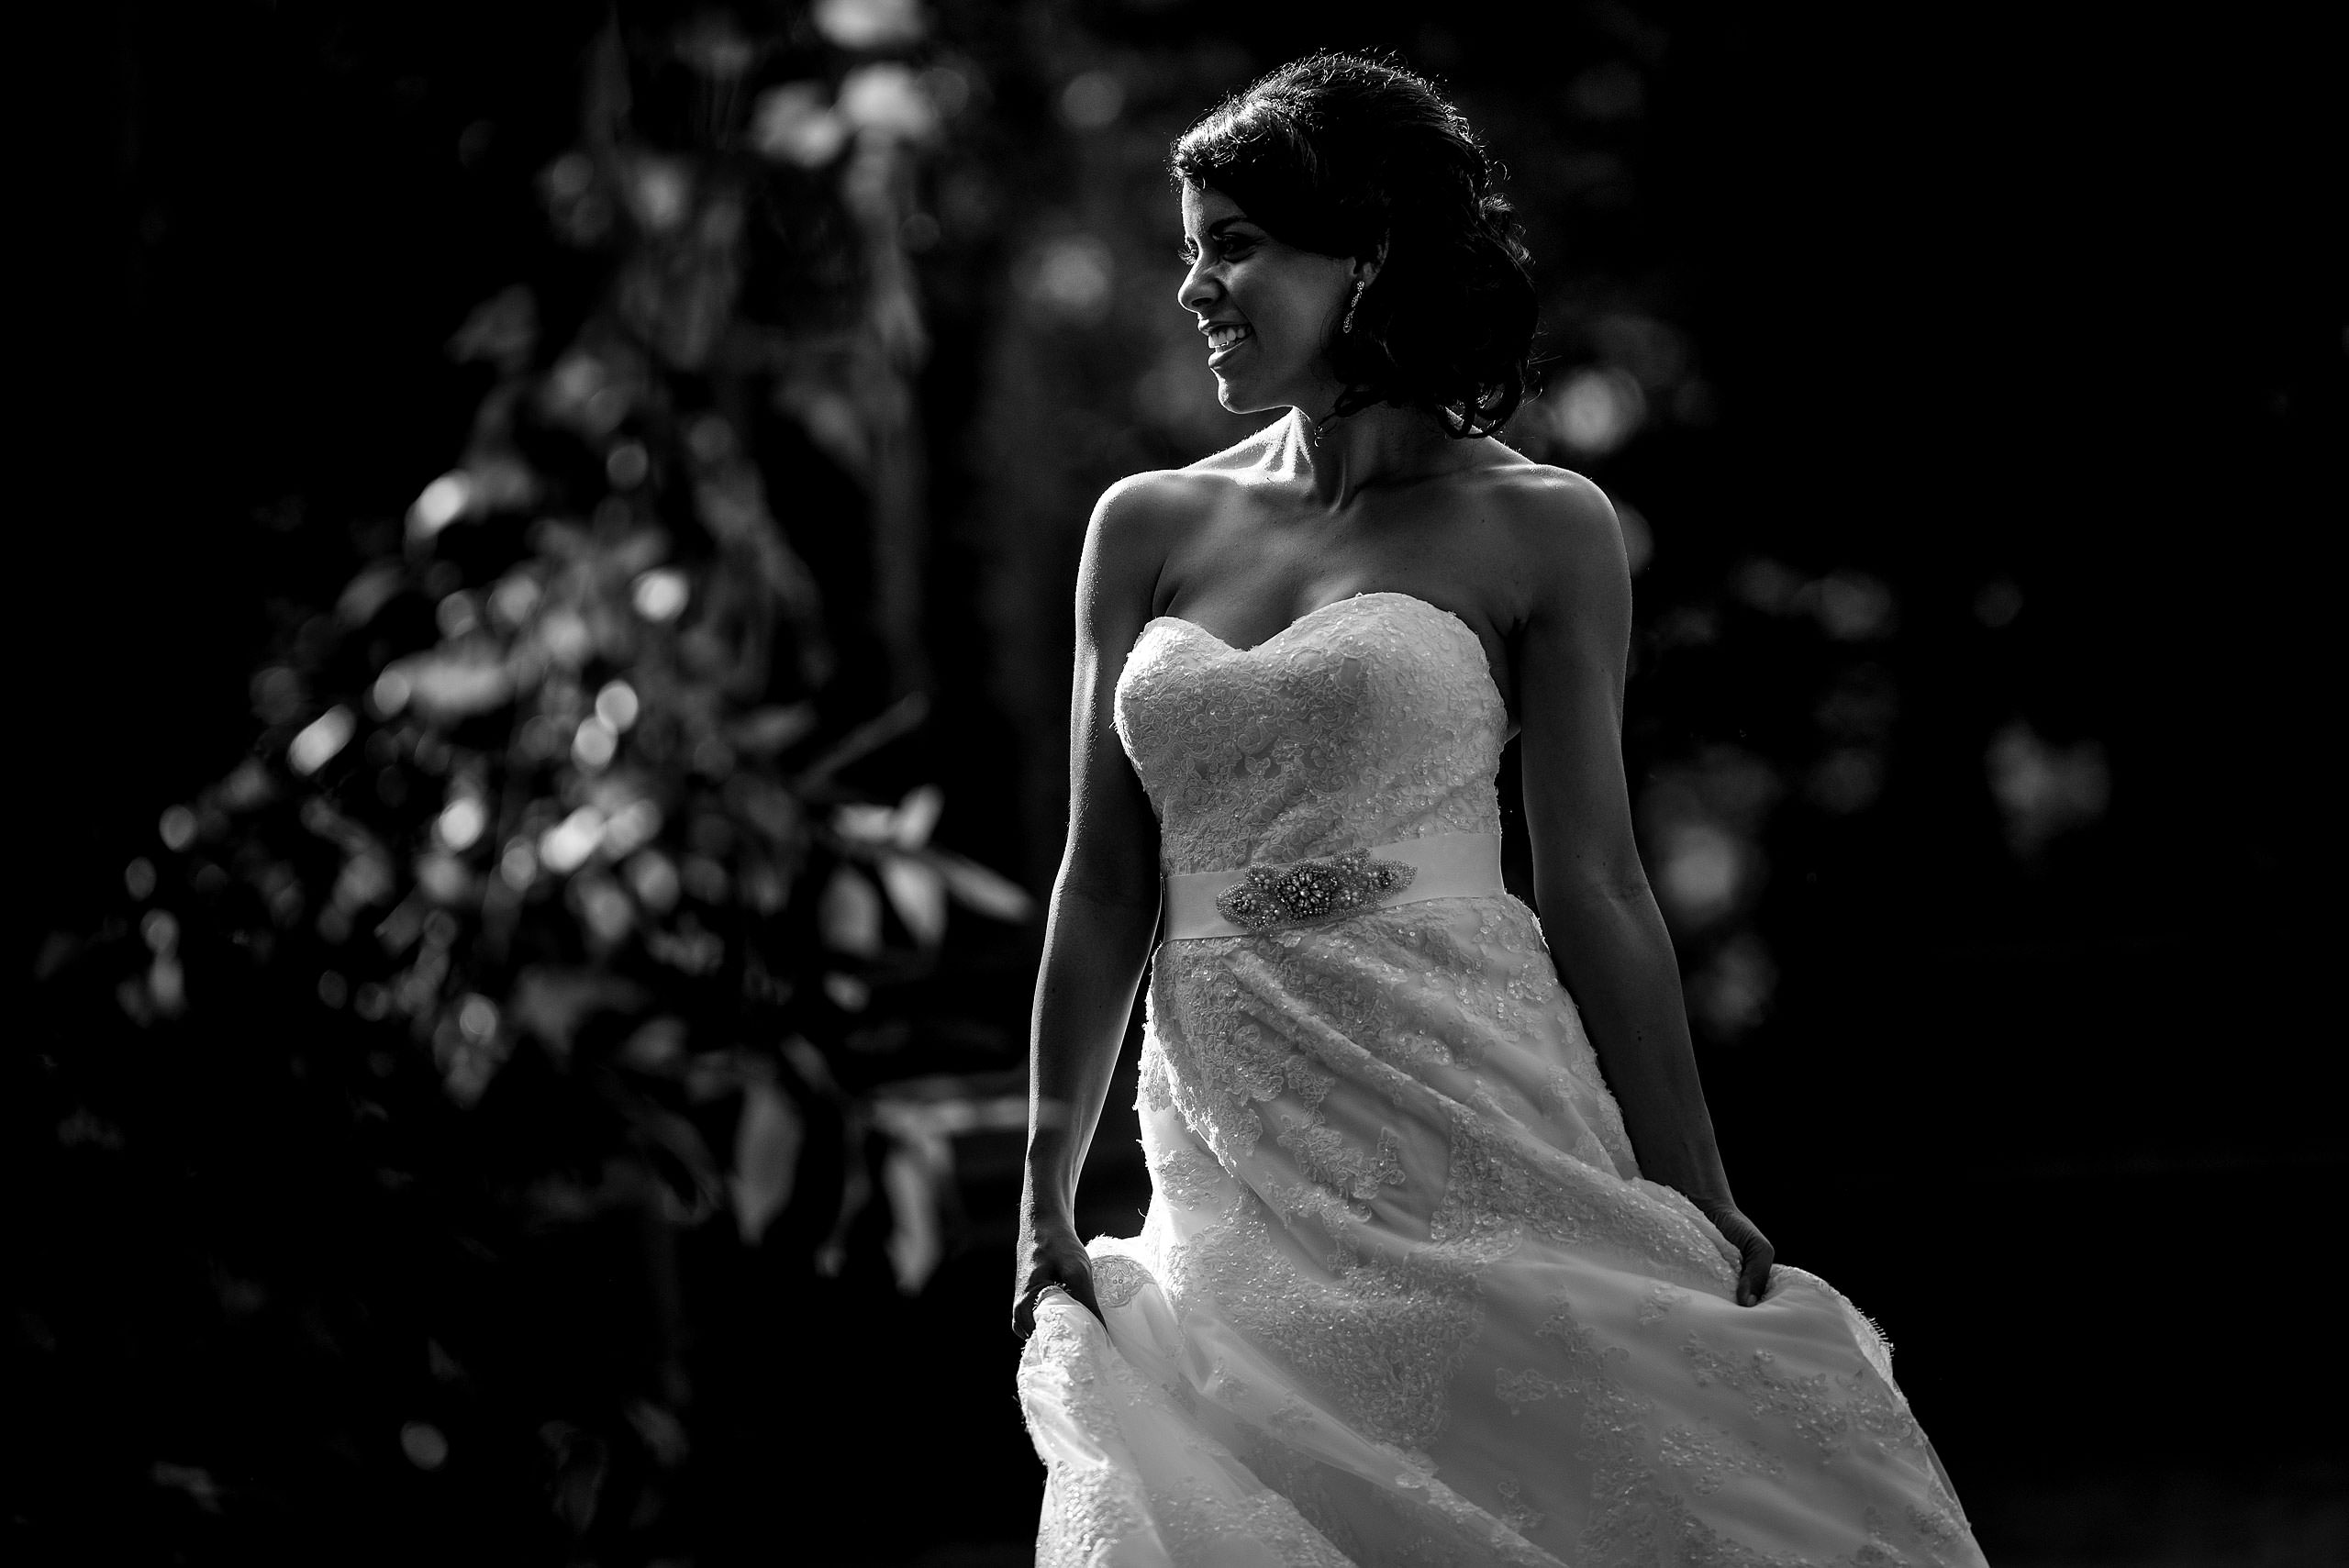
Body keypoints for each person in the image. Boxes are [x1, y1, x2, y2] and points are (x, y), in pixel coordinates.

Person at [1012, 52, 1983, 1566]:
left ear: (1372, 250)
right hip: (1232, 1111)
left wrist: (1694, 1183)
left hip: (1459, 1067)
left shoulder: (1544, 524)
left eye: (1238, 244)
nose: (1198, 284)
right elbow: (1096, 886)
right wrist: (1044, 1192)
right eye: (1193, 244)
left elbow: (1596, 881)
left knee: (1568, 1460)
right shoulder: (1142, 526)